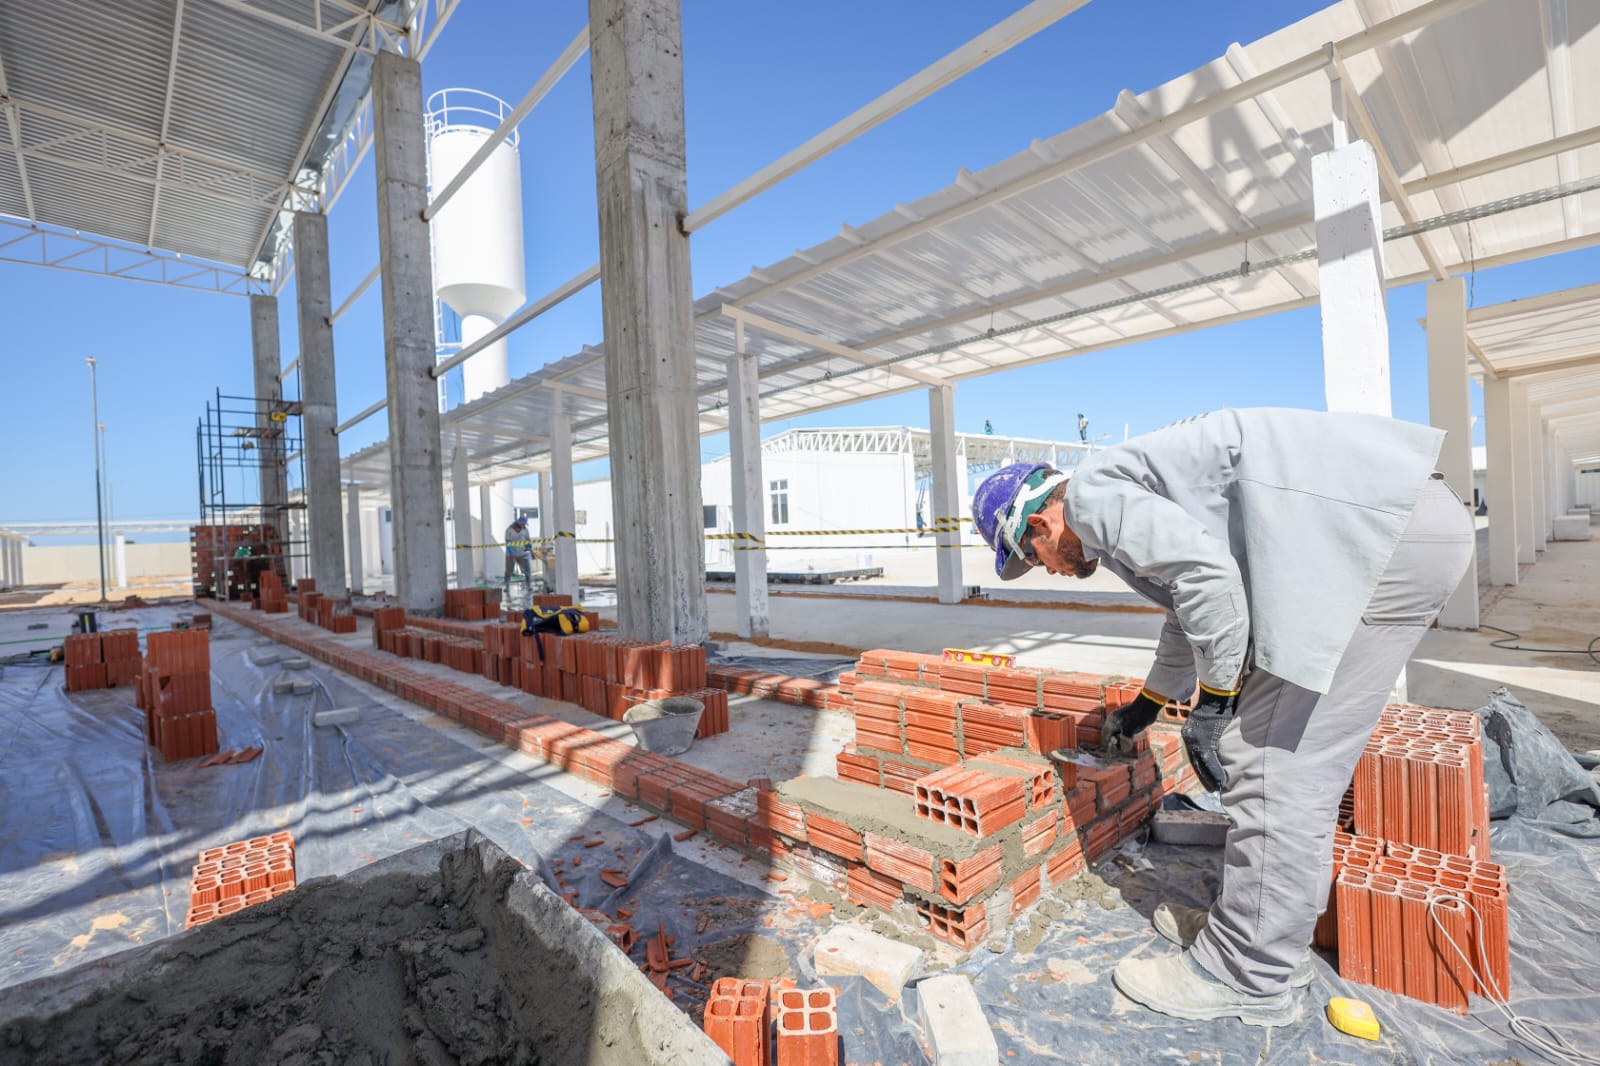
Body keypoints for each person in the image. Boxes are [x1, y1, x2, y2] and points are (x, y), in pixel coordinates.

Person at [971, 408, 1473, 1027]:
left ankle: (1246, 971)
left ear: (1042, 517)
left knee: (1270, 768)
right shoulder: (1121, 503)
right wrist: (1150, 705)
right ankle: (1267, 941)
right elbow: (1188, 606)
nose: (1046, 568)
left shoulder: (1094, 493)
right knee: (1295, 770)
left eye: (1033, 552)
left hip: (1379, 541)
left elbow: (1210, 582)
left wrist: (1213, 705)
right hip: (1399, 529)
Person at [504, 516, 535, 594]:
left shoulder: (525, 530)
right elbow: (508, 543)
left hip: (523, 554)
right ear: (519, 523)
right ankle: (506, 586)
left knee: (527, 571)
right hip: (511, 554)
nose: (523, 526)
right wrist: (511, 554)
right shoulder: (509, 530)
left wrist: (531, 550)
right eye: (522, 524)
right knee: (509, 571)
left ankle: (529, 586)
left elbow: (528, 541)